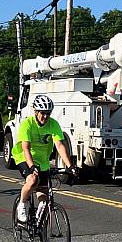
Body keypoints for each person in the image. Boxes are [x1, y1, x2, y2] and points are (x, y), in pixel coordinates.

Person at [12, 94, 76, 224]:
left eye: (48, 113)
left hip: (42, 161)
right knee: (32, 179)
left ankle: (38, 223)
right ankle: (22, 204)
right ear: (35, 111)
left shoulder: (53, 124)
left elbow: (59, 145)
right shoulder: (27, 124)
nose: (45, 116)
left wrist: (70, 166)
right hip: (24, 157)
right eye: (42, 113)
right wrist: (31, 166)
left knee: (44, 196)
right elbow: (26, 148)